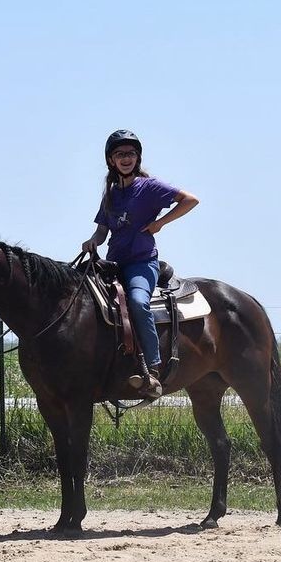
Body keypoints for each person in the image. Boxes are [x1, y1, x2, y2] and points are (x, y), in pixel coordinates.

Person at [82, 129, 199, 398]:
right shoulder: (111, 194)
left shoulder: (149, 187)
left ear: (137, 157)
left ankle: (153, 368)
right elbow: (102, 230)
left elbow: (190, 200)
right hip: (112, 264)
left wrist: (159, 224)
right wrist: (92, 241)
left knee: (137, 302)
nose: (126, 158)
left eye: (130, 153)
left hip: (141, 263)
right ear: (111, 160)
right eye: (120, 154)